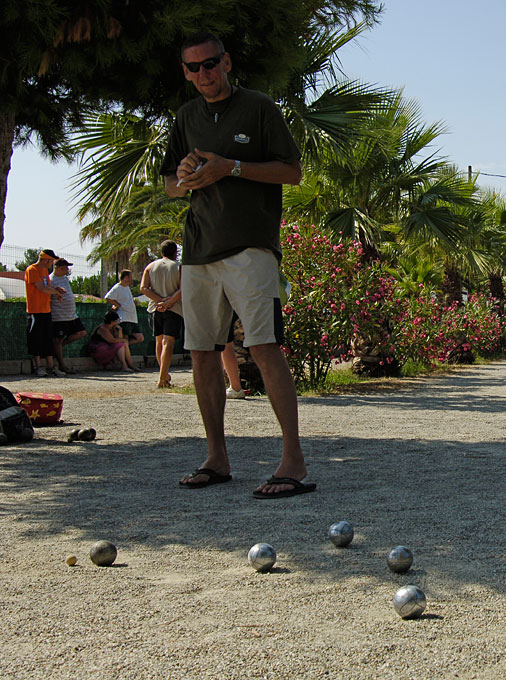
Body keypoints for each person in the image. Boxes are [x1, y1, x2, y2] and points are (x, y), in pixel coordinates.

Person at [161, 31, 311, 499]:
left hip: (251, 247)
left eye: (210, 63)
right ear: (186, 73)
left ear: (226, 62)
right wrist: (185, 177)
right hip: (199, 250)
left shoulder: (259, 107)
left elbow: (292, 172)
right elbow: (170, 185)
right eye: (193, 67)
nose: (203, 73)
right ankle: (216, 458)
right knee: (202, 353)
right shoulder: (186, 117)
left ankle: (293, 461)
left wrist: (232, 166)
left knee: (264, 346)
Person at [140, 240, 184, 388]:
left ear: (161, 252)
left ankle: (164, 375)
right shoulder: (179, 267)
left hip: (154, 308)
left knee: (159, 342)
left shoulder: (150, 266)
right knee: (168, 342)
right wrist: (168, 302)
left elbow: (143, 288)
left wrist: (159, 300)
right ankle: (162, 377)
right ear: (175, 253)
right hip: (174, 308)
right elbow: (183, 289)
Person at [24, 248, 66, 377]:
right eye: (51, 261)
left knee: (48, 339)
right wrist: (55, 292)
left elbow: (47, 287)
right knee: (36, 339)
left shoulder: (44, 271)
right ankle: (38, 367)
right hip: (35, 311)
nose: (52, 263)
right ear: (46, 260)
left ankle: (51, 367)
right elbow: (41, 288)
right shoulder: (32, 269)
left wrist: (56, 290)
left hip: (46, 310)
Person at [49, 258, 86, 375]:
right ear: (58, 268)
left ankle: (57, 347)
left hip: (71, 315)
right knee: (57, 339)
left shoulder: (64, 278)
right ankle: (62, 365)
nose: (67, 270)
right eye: (65, 268)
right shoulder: (51, 280)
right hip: (59, 316)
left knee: (81, 332)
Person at [104, 270, 145, 347]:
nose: (132, 279)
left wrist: (133, 302)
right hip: (124, 317)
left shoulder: (127, 287)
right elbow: (108, 297)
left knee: (140, 338)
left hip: (133, 318)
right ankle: (122, 350)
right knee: (125, 337)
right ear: (126, 278)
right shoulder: (118, 287)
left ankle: (120, 346)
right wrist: (118, 305)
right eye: (130, 277)